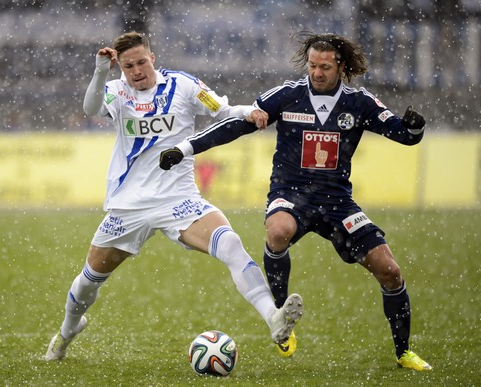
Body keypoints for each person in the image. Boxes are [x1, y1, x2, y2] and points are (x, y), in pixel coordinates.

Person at [159, 32, 431, 371]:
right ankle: (280, 318)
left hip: (337, 203)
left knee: (390, 271)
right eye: (312, 66)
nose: (316, 73)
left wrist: (415, 127)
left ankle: (404, 353)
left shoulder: (359, 103)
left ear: (340, 67)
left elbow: (404, 135)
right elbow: (235, 126)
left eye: (325, 67)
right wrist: (186, 149)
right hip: (290, 194)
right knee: (277, 231)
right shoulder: (288, 96)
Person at [44, 31, 303, 361]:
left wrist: (248, 111)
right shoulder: (117, 91)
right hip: (129, 206)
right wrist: (100, 70)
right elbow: (90, 108)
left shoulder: (182, 85)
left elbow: (220, 109)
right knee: (88, 281)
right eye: (128, 66)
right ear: (120, 68)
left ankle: (274, 318)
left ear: (152, 58)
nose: (136, 71)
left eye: (141, 62)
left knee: (231, 245)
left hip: (178, 199)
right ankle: (67, 332)